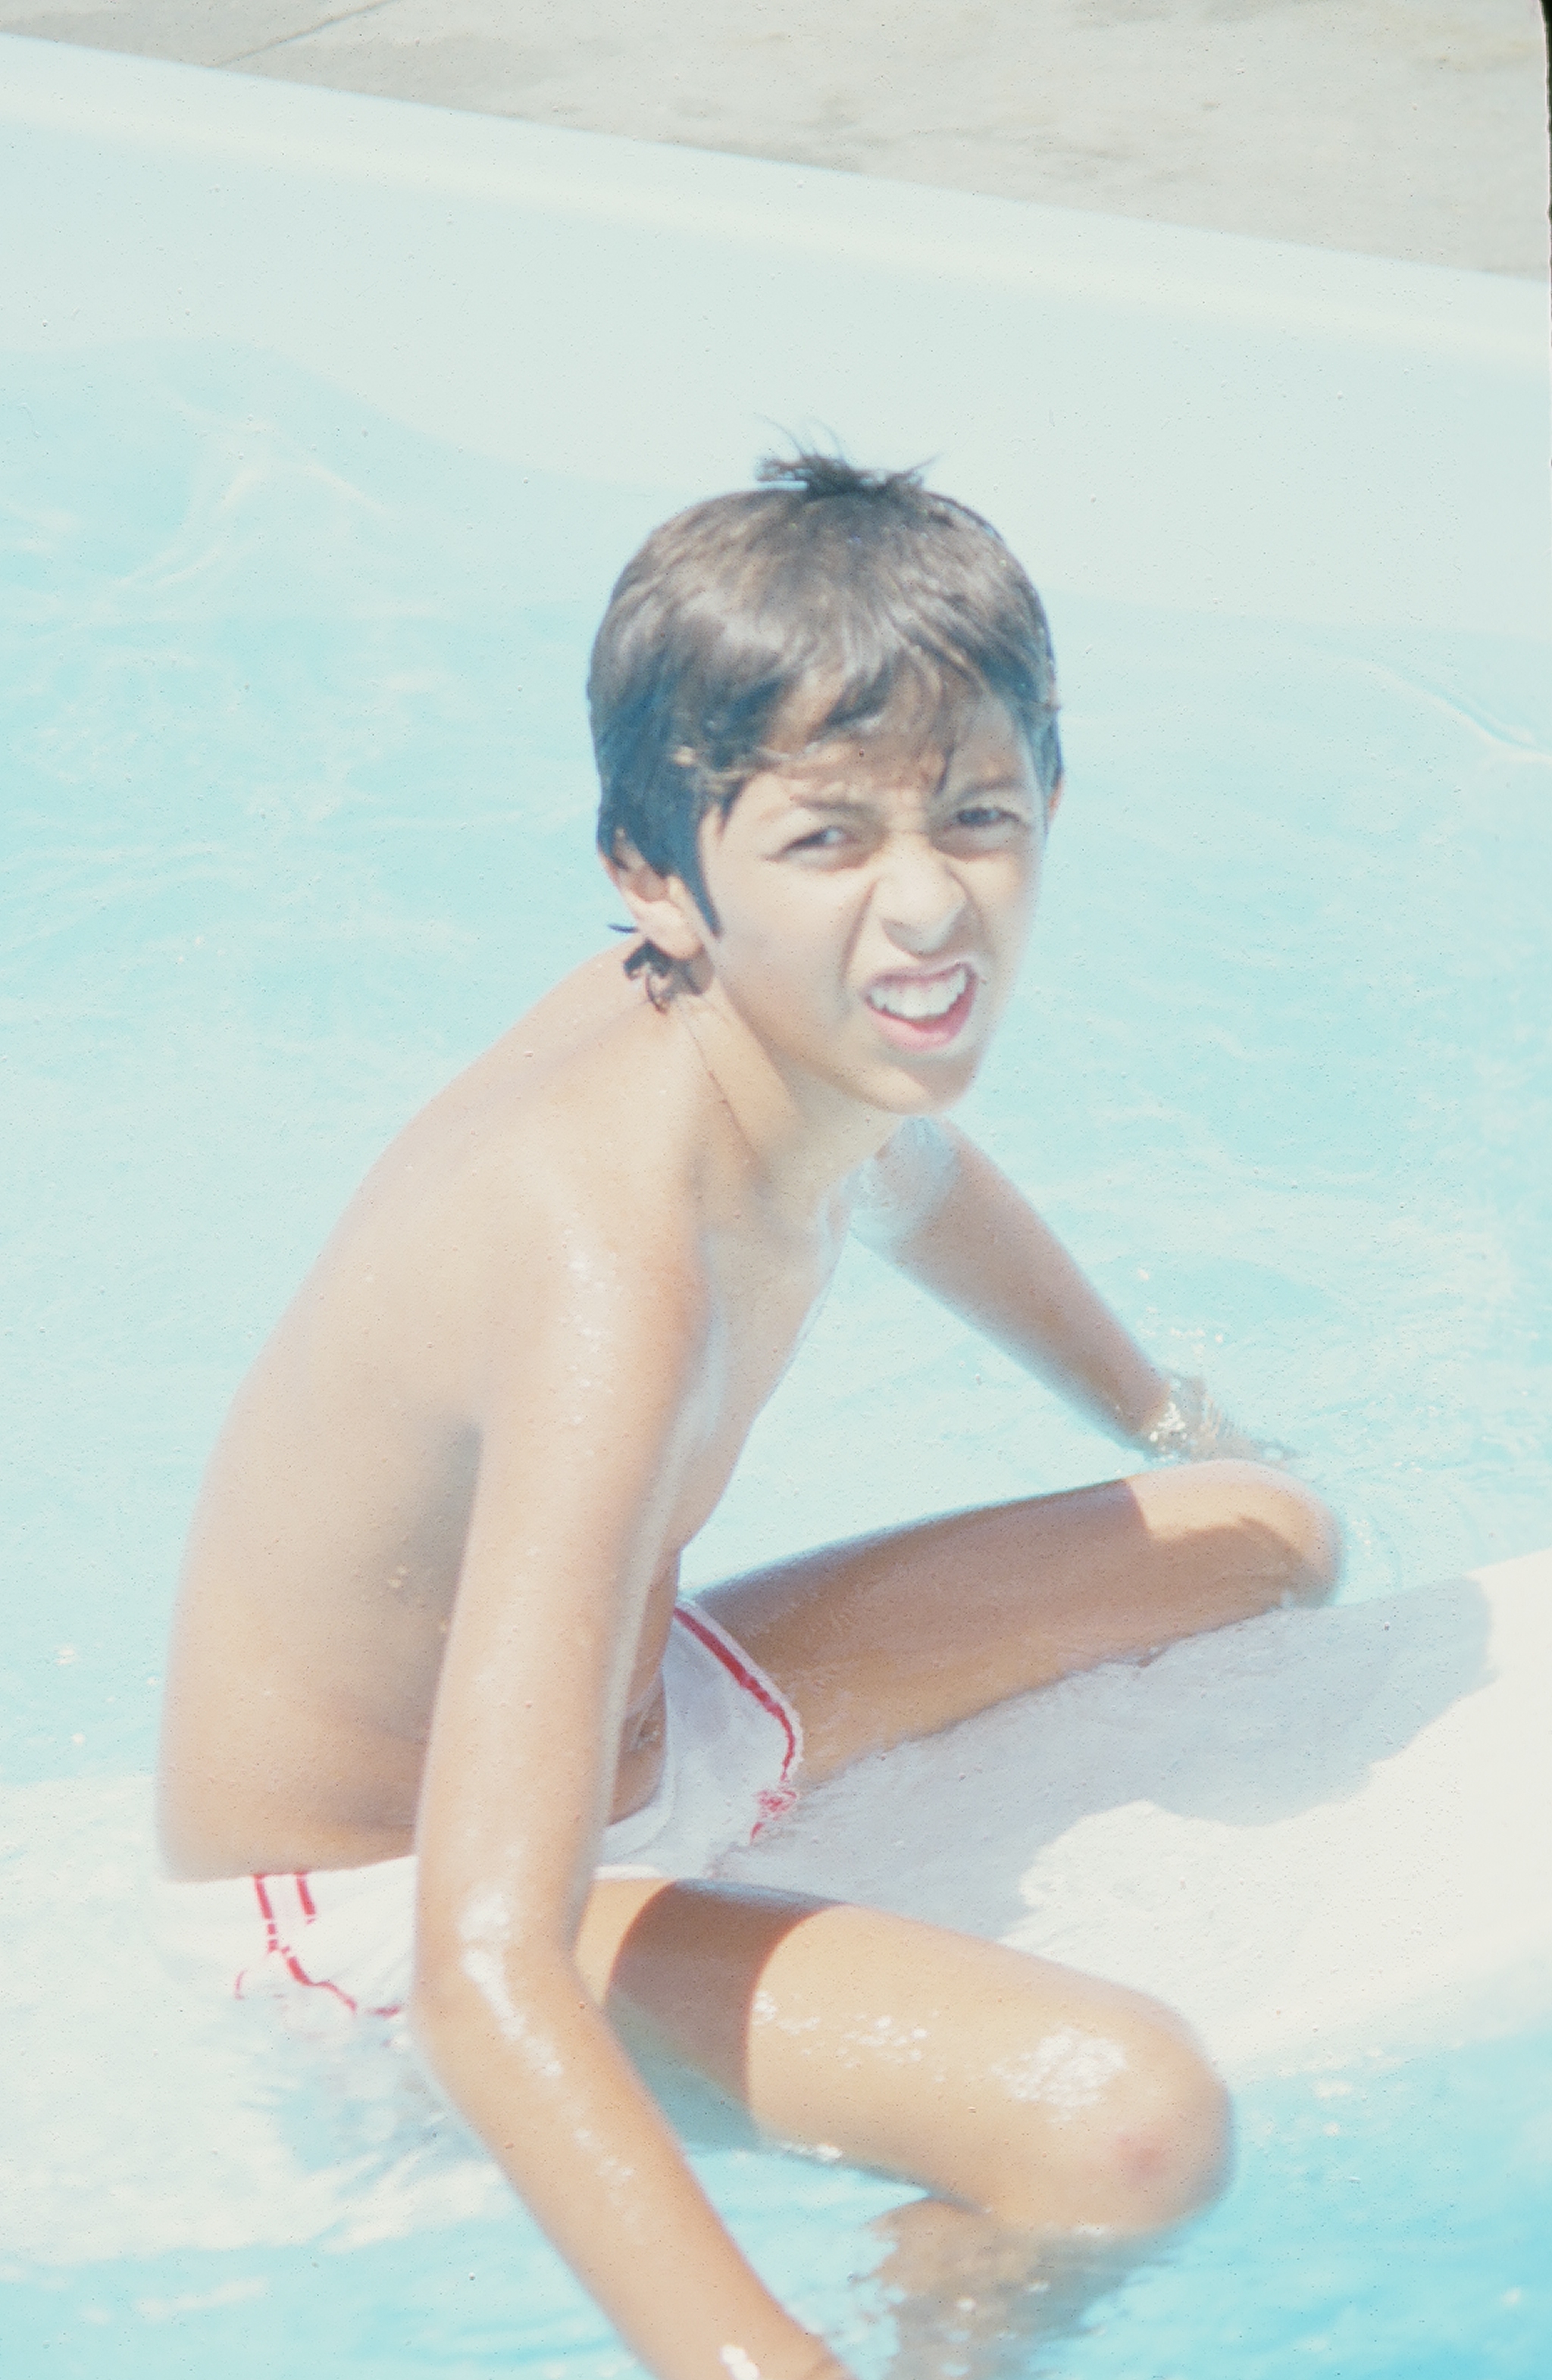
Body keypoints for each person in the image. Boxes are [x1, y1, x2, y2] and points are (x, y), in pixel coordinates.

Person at [155, 454, 1341, 2380]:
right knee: (1123, 2122)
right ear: (658, 873)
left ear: (1050, 804)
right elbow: (479, 1966)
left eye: (977, 815)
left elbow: (913, 1173)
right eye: (827, 839)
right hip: (375, 1904)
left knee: (1265, 1535)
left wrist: (1161, 1409)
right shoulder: (607, 1277)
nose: (926, 902)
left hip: (661, 1726)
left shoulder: (786, 1040)